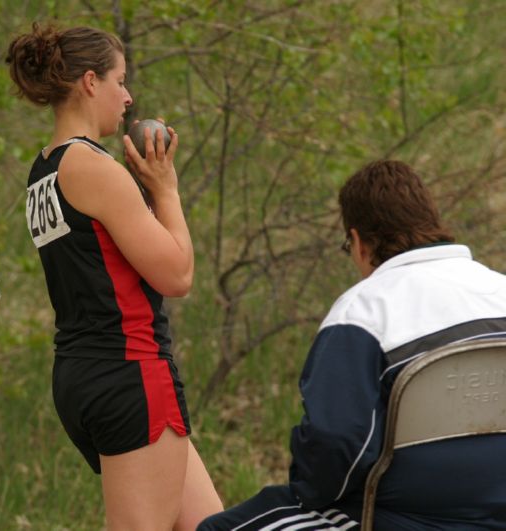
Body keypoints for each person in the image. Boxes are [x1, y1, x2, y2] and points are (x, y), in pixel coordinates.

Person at [198, 160, 506, 530]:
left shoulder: (364, 311)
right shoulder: (499, 289)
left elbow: (337, 446)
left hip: (394, 516)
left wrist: (308, 490)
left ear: (358, 241)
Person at [6, 23, 223, 530]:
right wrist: (165, 189)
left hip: (82, 375)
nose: (127, 97)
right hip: (129, 373)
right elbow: (178, 275)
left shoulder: (44, 172)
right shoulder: (94, 167)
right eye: (119, 81)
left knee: (211, 524)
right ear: (88, 82)